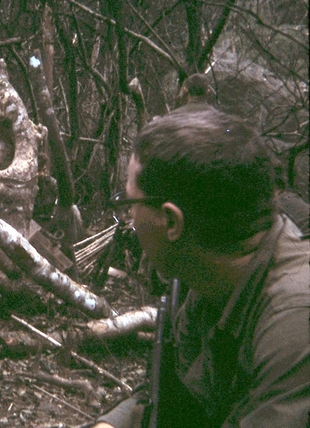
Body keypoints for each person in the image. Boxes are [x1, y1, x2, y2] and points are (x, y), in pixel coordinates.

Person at [94, 110, 309, 428]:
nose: (129, 221)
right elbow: (170, 397)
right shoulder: (207, 276)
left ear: (171, 222)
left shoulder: (294, 325)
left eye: (129, 206)